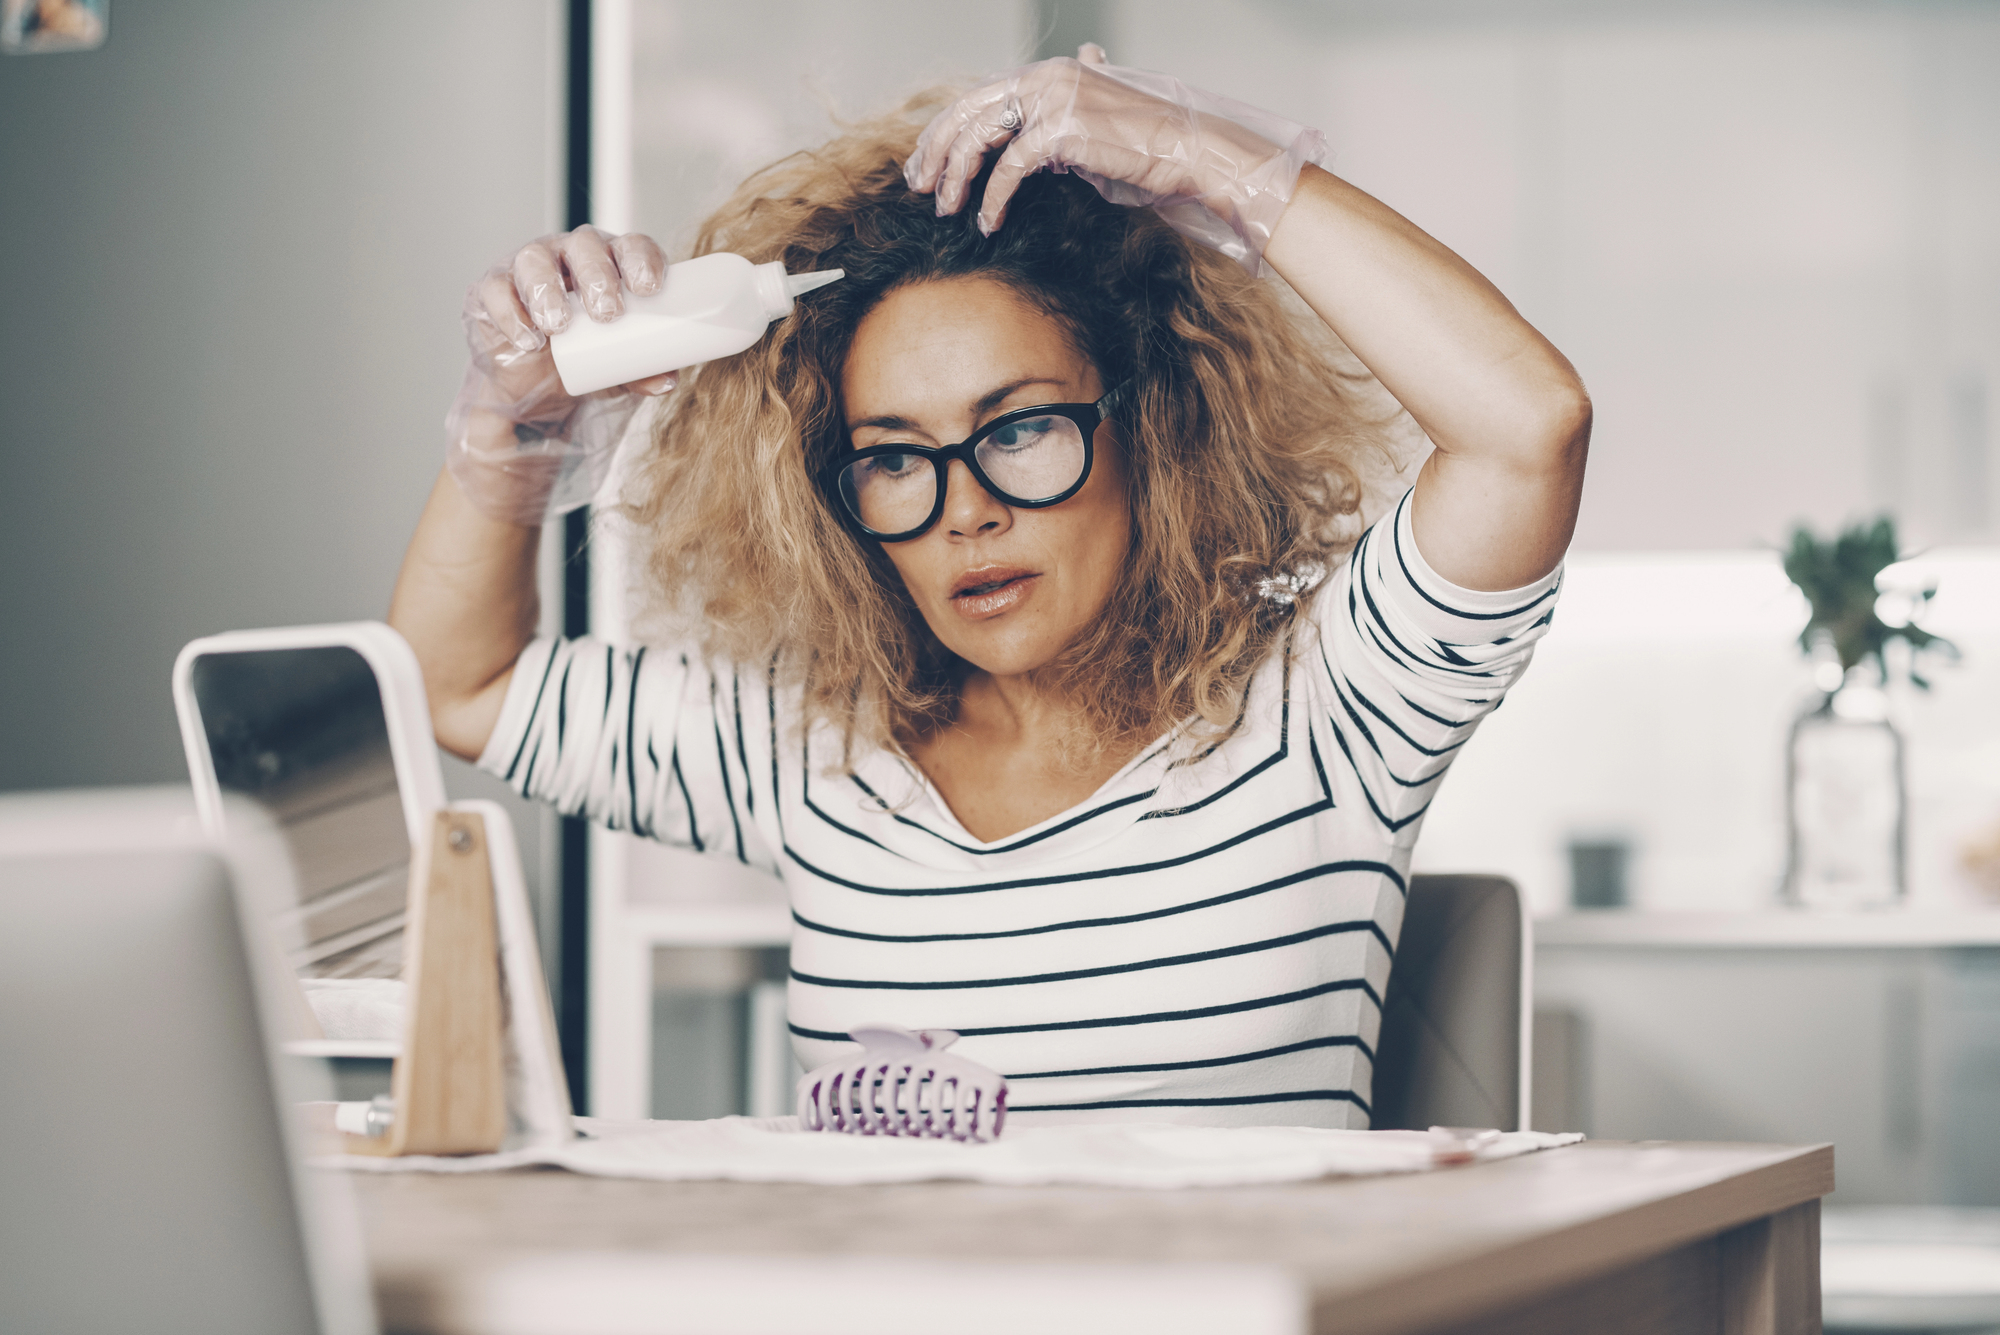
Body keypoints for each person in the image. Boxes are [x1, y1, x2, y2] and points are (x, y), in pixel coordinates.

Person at [389, 46, 1590, 1129]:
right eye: (896, 458)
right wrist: (516, 418)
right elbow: (453, 681)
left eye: (1017, 430)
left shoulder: (1329, 713)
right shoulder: (810, 750)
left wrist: (1211, 162)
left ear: (1149, 427)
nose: (964, 509)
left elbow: (1523, 429)